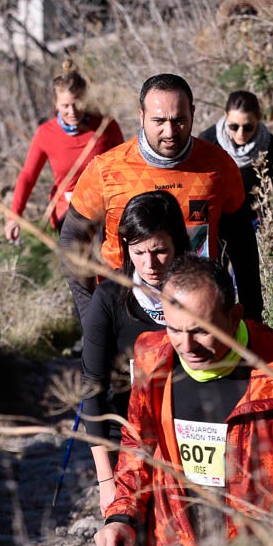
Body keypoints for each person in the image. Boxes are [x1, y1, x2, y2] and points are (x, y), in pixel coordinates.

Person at [94, 256, 273, 546]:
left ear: (234, 317)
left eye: (201, 330)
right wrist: (121, 517)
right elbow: (137, 447)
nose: (187, 346)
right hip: (176, 544)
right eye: (175, 329)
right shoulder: (152, 360)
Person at [59, 74, 261, 323]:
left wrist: (252, 315)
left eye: (179, 120)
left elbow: (242, 243)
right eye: (159, 121)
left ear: (192, 113)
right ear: (141, 116)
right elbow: (72, 240)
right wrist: (90, 314)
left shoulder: (218, 166)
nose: (170, 132)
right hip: (125, 315)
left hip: (197, 313)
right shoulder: (106, 169)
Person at [81, 190, 190, 514]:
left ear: (177, 244)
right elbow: (92, 389)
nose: (149, 264)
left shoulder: (200, 293)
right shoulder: (109, 299)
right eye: (138, 252)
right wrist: (106, 481)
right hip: (130, 444)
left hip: (190, 439)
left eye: (159, 251)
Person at [5, 60, 124, 242]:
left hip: (104, 207)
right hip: (68, 211)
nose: (72, 111)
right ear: (56, 104)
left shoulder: (106, 127)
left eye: (77, 104)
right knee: (77, 248)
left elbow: (123, 168)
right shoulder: (46, 133)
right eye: (65, 106)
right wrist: (14, 216)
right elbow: (28, 175)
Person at [197, 90, 273, 238]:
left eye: (248, 127)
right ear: (225, 116)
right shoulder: (207, 141)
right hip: (216, 225)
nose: (240, 134)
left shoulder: (270, 145)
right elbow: (197, 192)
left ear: (259, 118)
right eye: (234, 126)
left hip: (255, 225)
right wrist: (199, 238)